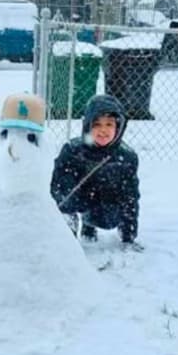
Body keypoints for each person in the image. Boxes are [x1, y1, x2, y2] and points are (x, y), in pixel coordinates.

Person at [50, 94, 142, 249]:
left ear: (119, 127)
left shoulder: (127, 158)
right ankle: (68, 238)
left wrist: (129, 236)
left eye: (109, 124)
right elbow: (59, 190)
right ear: (88, 125)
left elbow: (130, 197)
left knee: (114, 212)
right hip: (81, 198)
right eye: (97, 124)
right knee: (64, 198)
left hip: (107, 200)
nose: (103, 130)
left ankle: (91, 224)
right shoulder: (72, 151)